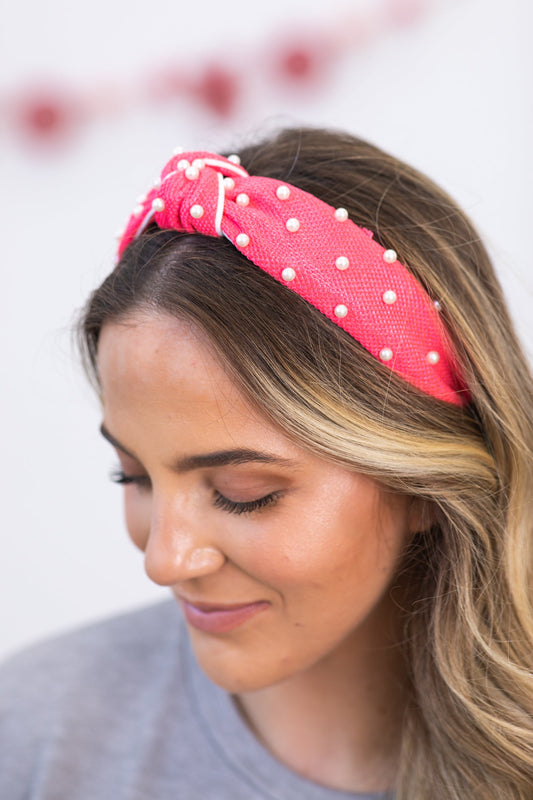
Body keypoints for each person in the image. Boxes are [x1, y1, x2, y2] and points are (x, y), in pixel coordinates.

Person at [1, 127, 532, 800]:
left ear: (425, 485)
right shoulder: (36, 731)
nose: (164, 561)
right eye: (132, 476)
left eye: (241, 492)